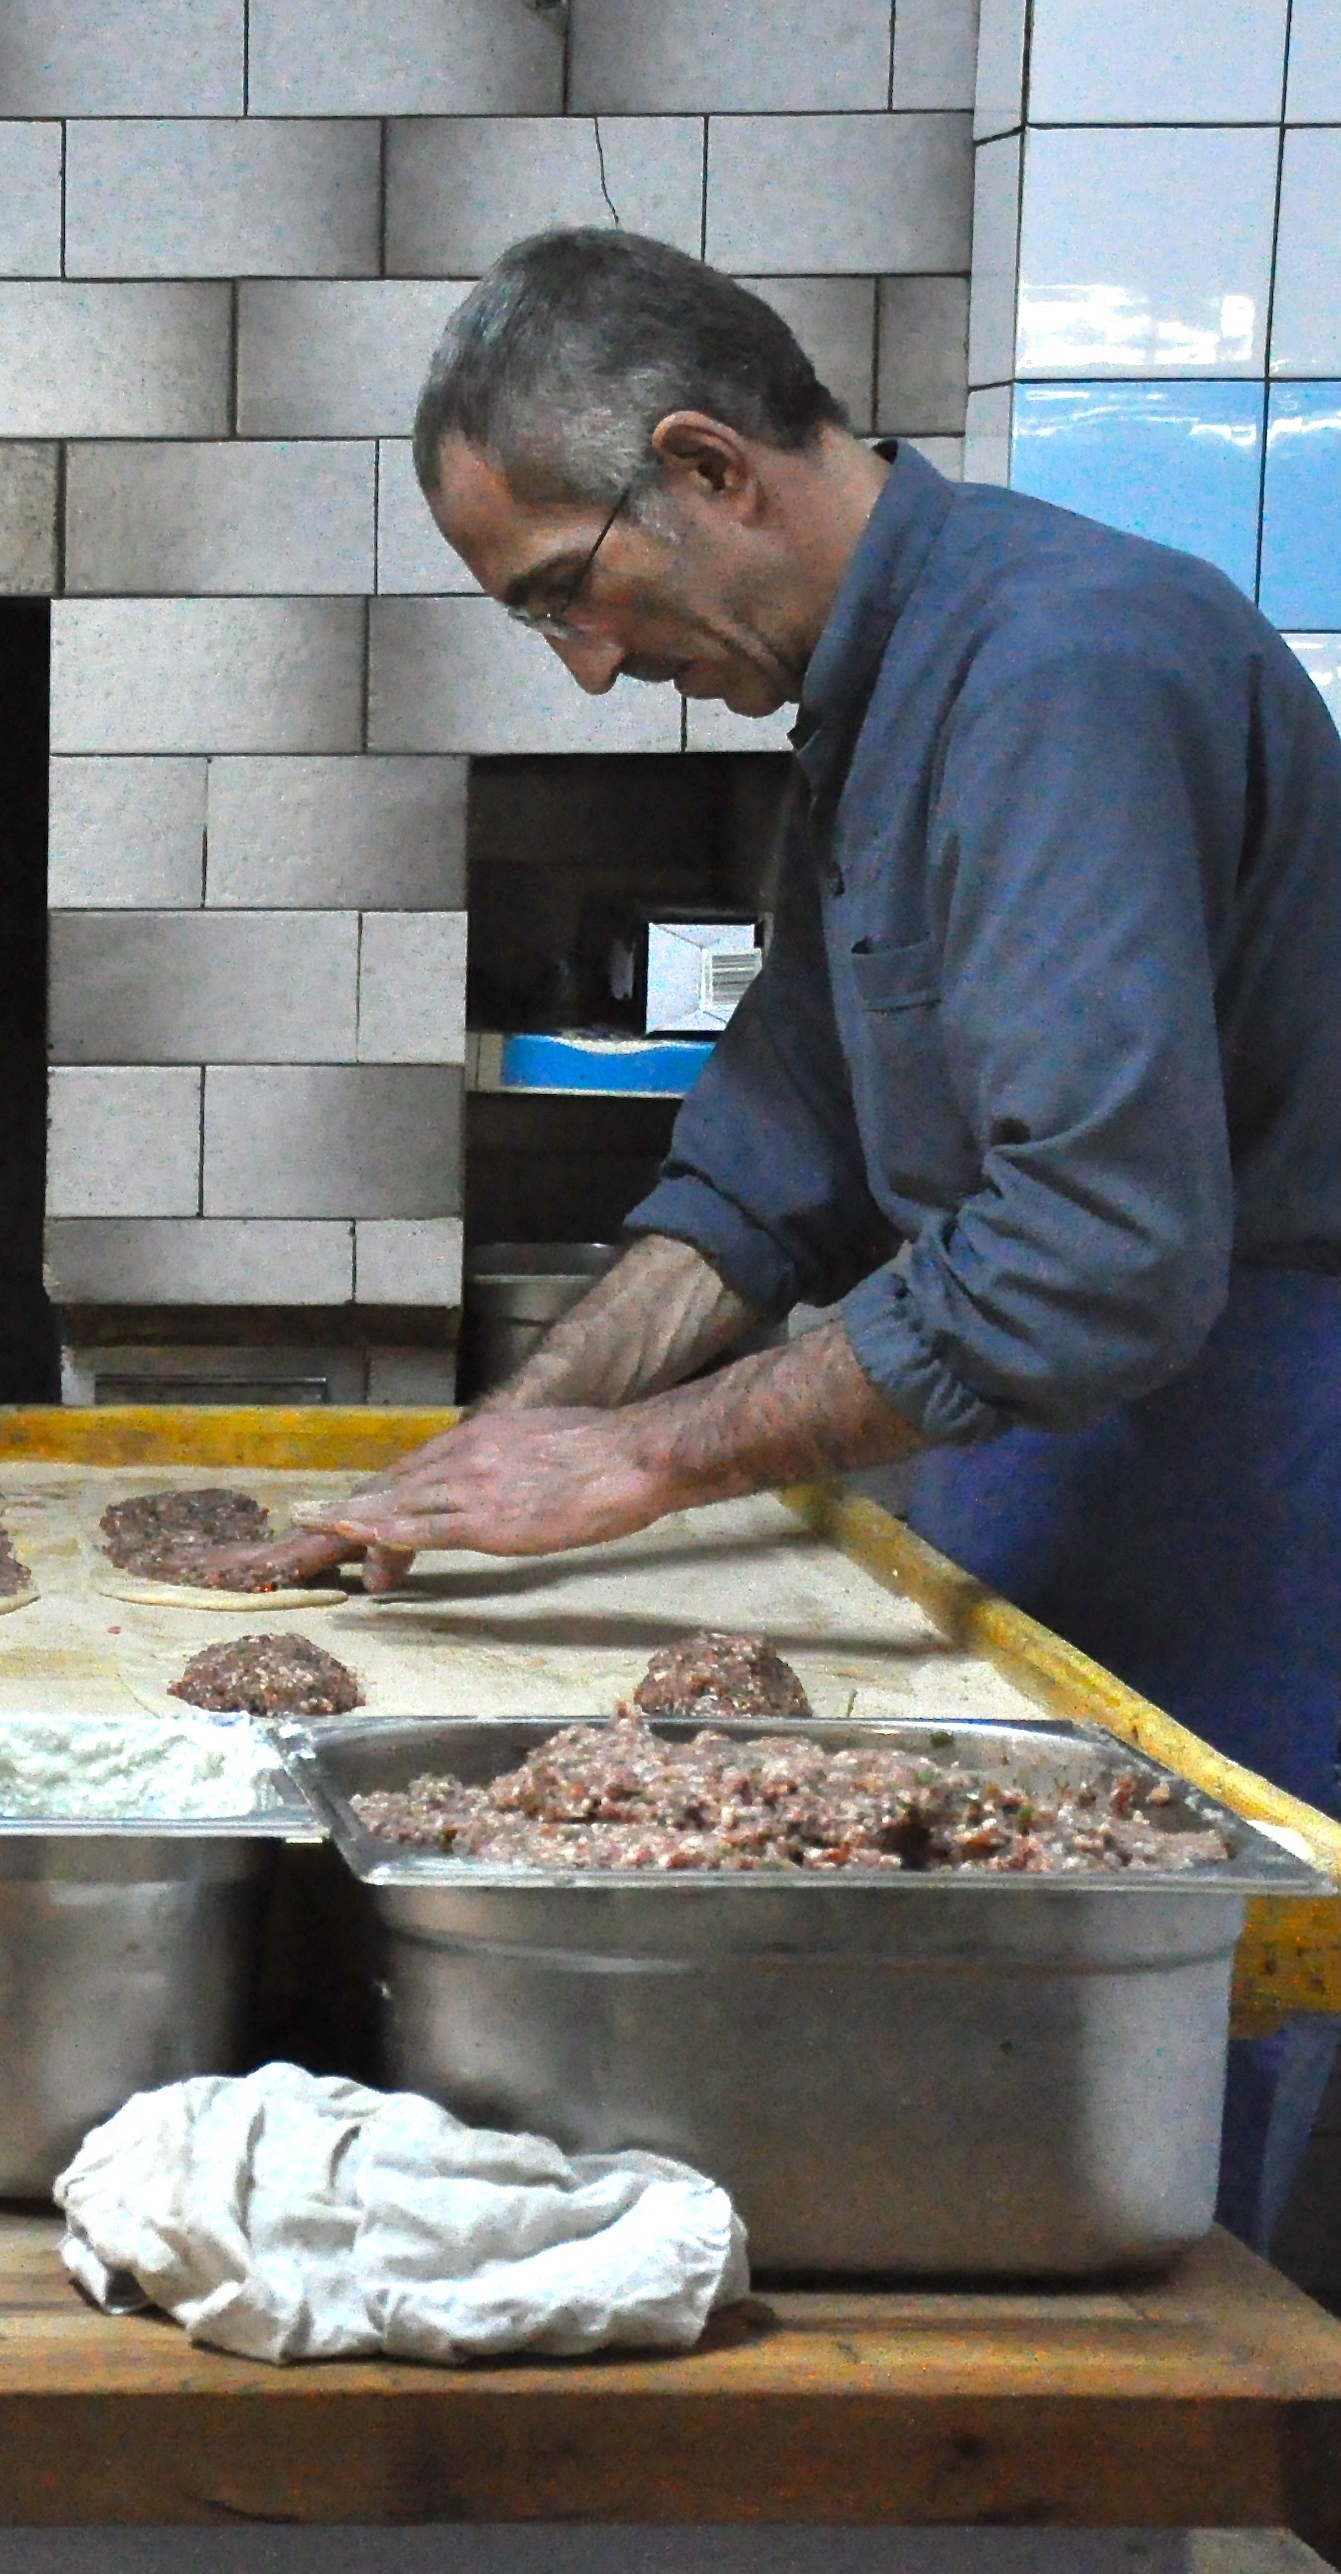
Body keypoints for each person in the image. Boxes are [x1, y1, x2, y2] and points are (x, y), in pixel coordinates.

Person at [259, 228, 1341, 2243]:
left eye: (569, 597)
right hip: (1058, 1453)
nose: (587, 667)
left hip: (1253, 1469)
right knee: (984, 2085)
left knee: (1177, 2092)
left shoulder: (1061, 671)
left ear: (707, 466)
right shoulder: (879, 704)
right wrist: (523, 1425)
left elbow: (1098, 1245)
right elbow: (775, 1157)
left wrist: (638, 1461)